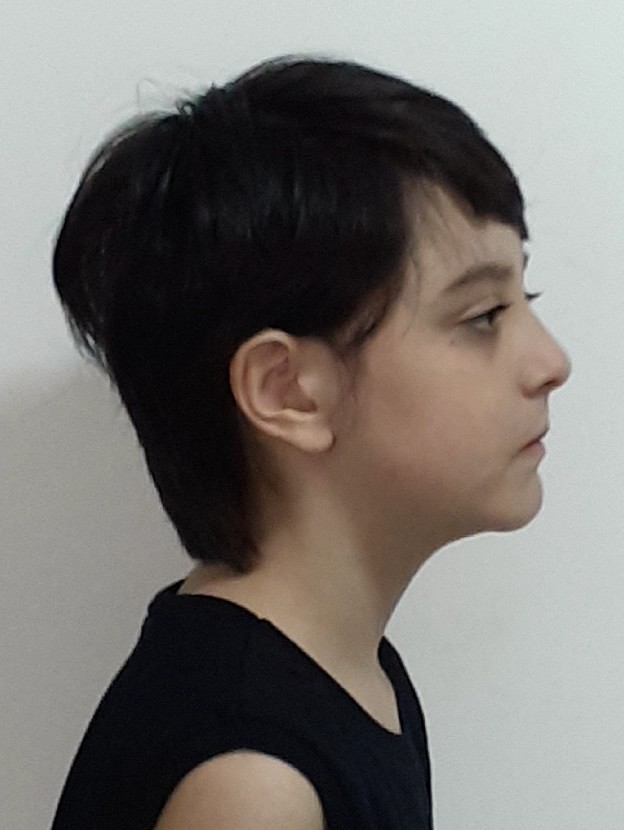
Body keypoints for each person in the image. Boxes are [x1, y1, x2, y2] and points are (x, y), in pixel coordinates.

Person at [49, 55, 571, 830]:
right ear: (288, 391)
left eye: (524, 295)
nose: (551, 362)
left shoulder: (345, 672)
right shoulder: (252, 780)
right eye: (483, 316)